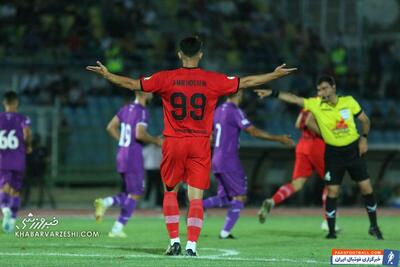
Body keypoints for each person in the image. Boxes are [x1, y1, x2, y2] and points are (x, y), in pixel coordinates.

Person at [87, 36, 296, 256]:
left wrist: (107, 74)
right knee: (196, 198)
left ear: (179, 54)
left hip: (174, 143)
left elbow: (131, 84)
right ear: (201, 55)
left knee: (170, 192)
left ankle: (175, 241)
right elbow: (246, 82)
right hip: (200, 144)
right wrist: (274, 75)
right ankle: (191, 246)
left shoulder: (166, 78)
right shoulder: (212, 79)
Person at [256, 75, 383, 240]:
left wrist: (364, 139)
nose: (321, 92)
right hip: (328, 150)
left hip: (345, 150)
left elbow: (365, 120)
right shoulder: (316, 104)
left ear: (333, 87)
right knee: (331, 188)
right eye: (319, 90)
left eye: (324, 88)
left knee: (365, 188)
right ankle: (329, 228)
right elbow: (294, 99)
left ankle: (373, 226)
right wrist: (272, 93)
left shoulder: (349, 101)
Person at [203, 90, 294, 239]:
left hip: (217, 158)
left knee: (225, 198)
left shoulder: (218, 110)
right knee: (240, 197)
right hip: (228, 159)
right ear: (239, 94)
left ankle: (198, 206)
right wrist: (279, 138)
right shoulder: (235, 111)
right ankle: (224, 233)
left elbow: (211, 134)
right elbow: (253, 132)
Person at [257, 109, 341, 232]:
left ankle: (273, 201)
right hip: (318, 145)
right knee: (332, 182)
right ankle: (328, 221)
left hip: (302, 145)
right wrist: (327, 134)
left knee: (297, 184)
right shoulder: (322, 105)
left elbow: (298, 124)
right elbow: (309, 122)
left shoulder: (307, 106)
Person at [94, 91, 162, 238]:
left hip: (122, 154)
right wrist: (156, 140)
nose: (152, 93)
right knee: (137, 193)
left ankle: (117, 229)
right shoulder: (142, 112)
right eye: (150, 91)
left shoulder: (125, 109)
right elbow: (140, 134)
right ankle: (106, 202)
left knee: (131, 193)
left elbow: (110, 127)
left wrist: (122, 142)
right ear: (144, 93)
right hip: (133, 156)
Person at [0, 91, 32, 232]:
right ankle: (12, 220)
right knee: (16, 190)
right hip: (18, 159)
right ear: (16, 103)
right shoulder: (22, 118)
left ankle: (5, 209)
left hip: (3, 159)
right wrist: (28, 145)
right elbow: (26, 133)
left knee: (4, 187)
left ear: (4, 103)